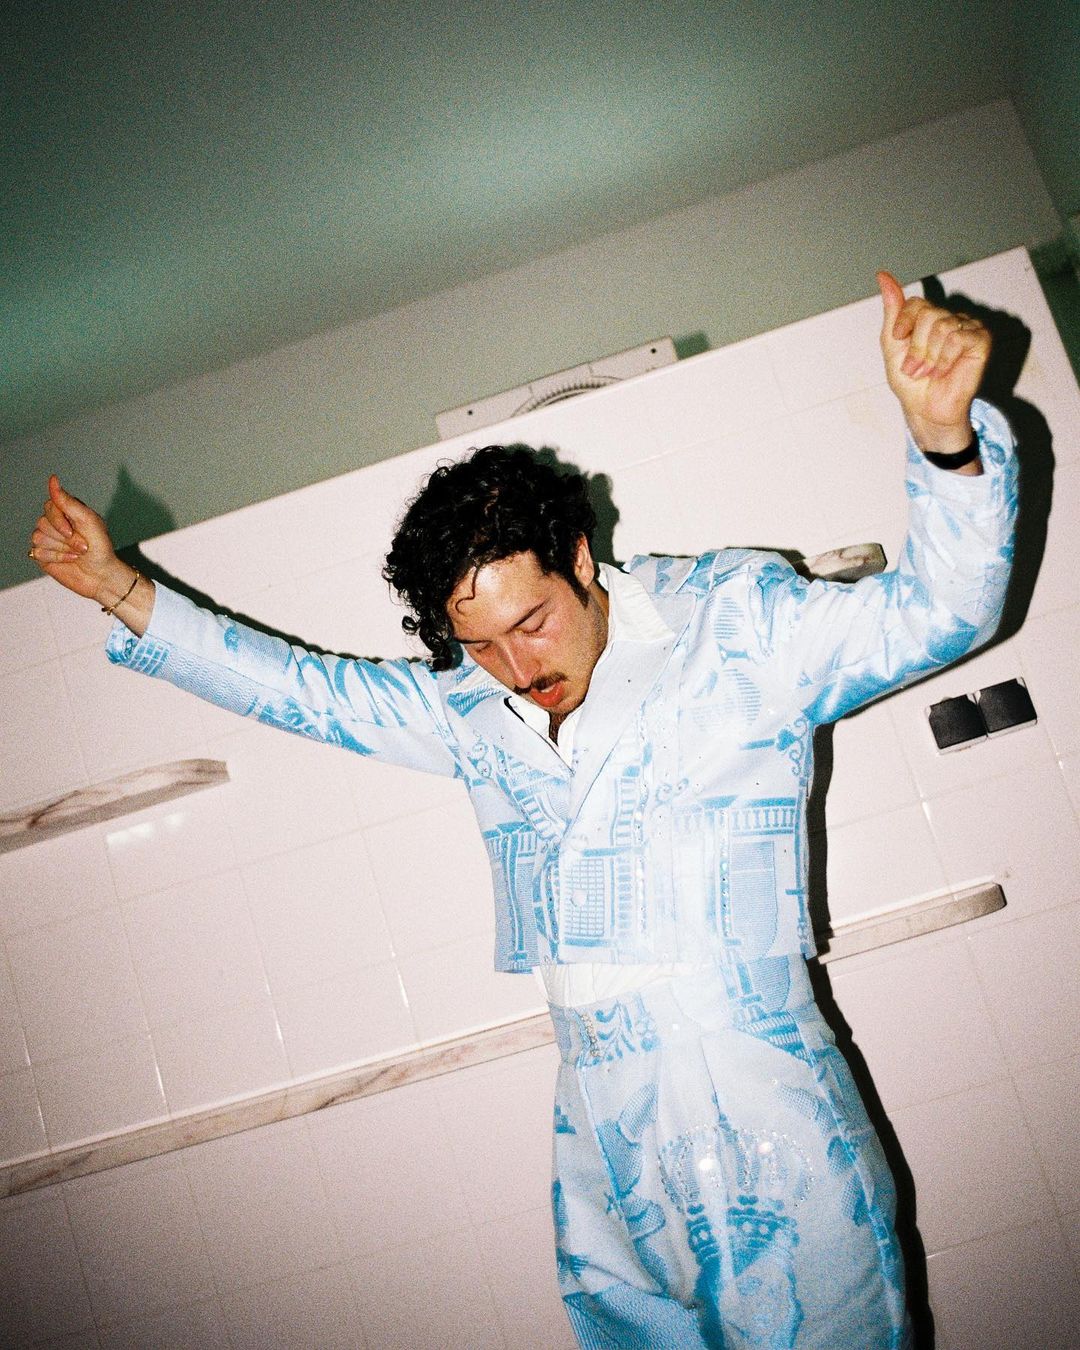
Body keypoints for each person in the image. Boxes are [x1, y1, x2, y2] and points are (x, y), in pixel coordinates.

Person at [29, 273, 1017, 1348]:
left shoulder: (735, 626)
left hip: (754, 1085)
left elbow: (945, 611)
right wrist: (119, 589)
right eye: (481, 645)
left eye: (533, 621)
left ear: (581, 559)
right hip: (597, 1116)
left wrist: (945, 442)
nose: (516, 667)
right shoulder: (470, 708)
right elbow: (309, 692)